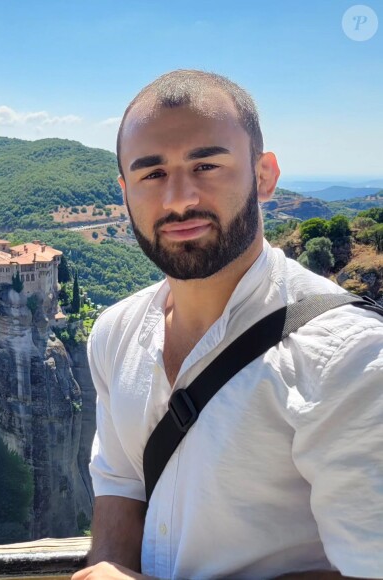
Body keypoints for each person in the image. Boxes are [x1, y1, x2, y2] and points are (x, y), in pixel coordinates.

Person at [72, 70, 383, 580]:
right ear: (125, 191)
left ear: (264, 176)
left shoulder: (350, 358)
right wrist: (108, 564)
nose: (178, 199)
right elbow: (121, 484)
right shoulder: (114, 331)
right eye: (151, 174)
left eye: (207, 165)